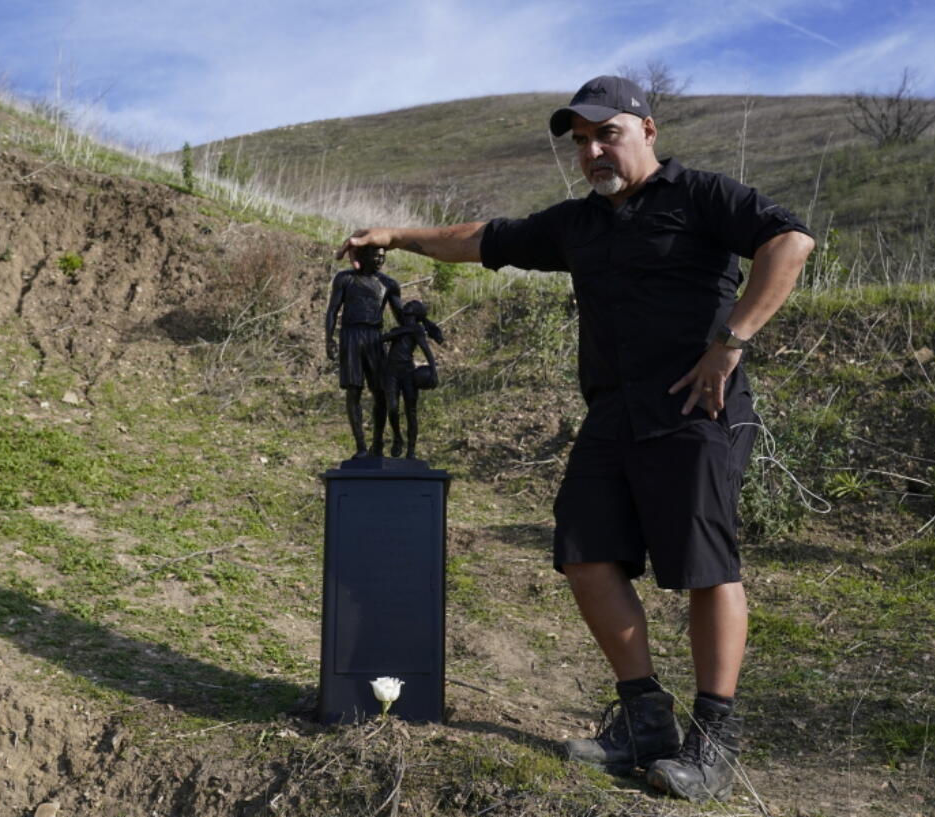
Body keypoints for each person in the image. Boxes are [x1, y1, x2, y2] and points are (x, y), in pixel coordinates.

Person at [336, 75, 815, 802]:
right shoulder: (579, 224)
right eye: (582, 141)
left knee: (706, 566)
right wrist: (398, 235)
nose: (594, 151)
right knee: (585, 552)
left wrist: (731, 341)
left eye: (607, 134)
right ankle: (645, 719)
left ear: (647, 131)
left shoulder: (701, 197)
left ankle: (715, 737)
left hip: (696, 406)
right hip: (614, 411)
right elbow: (485, 240)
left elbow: (790, 240)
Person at [324, 245, 403, 458]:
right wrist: (328, 338)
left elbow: (402, 318)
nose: (379, 260)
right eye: (375, 255)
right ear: (364, 255)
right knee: (353, 390)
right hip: (350, 335)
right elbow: (333, 310)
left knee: (381, 392)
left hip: (375, 337)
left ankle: (378, 443)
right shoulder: (345, 278)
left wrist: (417, 326)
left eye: (382, 256)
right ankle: (360, 446)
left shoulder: (388, 284)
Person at [380, 300, 442, 460]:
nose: (406, 314)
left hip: (407, 372)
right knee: (392, 407)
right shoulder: (402, 329)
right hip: (392, 371)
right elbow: (383, 338)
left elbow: (426, 349)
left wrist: (433, 370)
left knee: (410, 412)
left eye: (409, 313)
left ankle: (411, 449)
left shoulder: (417, 330)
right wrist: (402, 330)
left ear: (415, 315)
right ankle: (397, 437)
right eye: (406, 313)